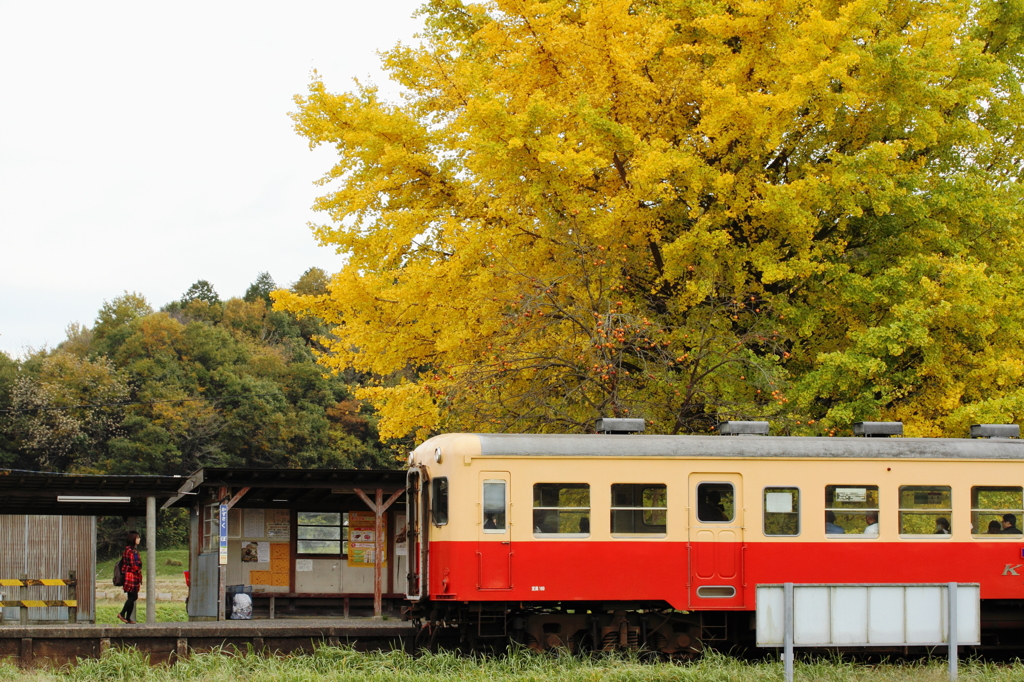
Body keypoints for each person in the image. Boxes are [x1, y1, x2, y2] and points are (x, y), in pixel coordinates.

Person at [118, 530, 143, 624]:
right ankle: (122, 613)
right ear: (133, 539)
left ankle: (128, 618)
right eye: (137, 538)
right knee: (133, 596)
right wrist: (138, 569)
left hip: (132, 575)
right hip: (131, 575)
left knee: (132, 596)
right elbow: (133, 564)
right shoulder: (130, 550)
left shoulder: (131, 550)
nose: (139, 539)